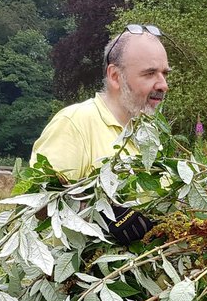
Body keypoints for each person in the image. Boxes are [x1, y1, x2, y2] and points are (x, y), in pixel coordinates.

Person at [30, 23, 170, 183]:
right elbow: (38, 203)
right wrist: (116, 208)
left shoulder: (150, 136)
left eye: (164, 73)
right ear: (115, 76)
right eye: (150, 73)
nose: (163, 85)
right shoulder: (74, 124)